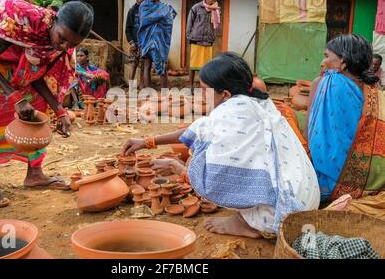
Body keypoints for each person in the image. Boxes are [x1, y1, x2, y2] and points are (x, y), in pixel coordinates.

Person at [122, 52, 320, 237]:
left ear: (225, 94)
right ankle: (251, 217)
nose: (201, 97)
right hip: (308, 198)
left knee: (208, 162)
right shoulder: (256, 101)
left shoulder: (232, 113)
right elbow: (198, 129)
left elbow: (215, 180)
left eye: (204, 91)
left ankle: (249, 224)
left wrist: (178, 168)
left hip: (286, 215)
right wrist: (147, 142)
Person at [0, 0, 94, 207]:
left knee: (37, 105)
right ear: (55, 21)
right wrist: (14, 96)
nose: (64, 46)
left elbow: (36, 75)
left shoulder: (60, 43)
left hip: (13, 49)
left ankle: (34, 173)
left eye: (73, 44)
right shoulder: (23, 22)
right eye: (61, 38)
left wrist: (59, 110)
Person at [307, 34, 385, 202]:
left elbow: (310, 135)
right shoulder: (375, 92)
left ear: (343, 63)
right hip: (369, 183)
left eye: (327, 56)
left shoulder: (329, 82)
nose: (323, 63)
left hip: (326, 185)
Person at [138, 0, 177, 89]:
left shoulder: (165, 7)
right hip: (147, 40)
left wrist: (161, 19)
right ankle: (149, 92)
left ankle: (164, 92)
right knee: (147, 65)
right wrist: (160, 17)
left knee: (162, 66)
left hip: (160, 40)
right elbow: (144, 20)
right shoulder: (144, 5)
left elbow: (170, 18)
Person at [186, 0, 220, 91]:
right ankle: (191, 86)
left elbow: (216, 25)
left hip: (208, 41)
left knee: (206, 66)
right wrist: (189, 36)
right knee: (193, 65)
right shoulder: (196, 8)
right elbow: (189, 23)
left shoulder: (216, 9)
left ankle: (204, 87)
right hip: (196, 40)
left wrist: (213, 37)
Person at [126, 0, 148, 88]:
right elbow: (127, 29)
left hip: (145, 43)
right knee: (133, 64)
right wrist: (131, 43)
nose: (137, 0)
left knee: (143, 65)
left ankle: (142, 87)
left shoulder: (149, 11)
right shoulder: (132, 11)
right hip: (135, 43)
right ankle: (131, 87)